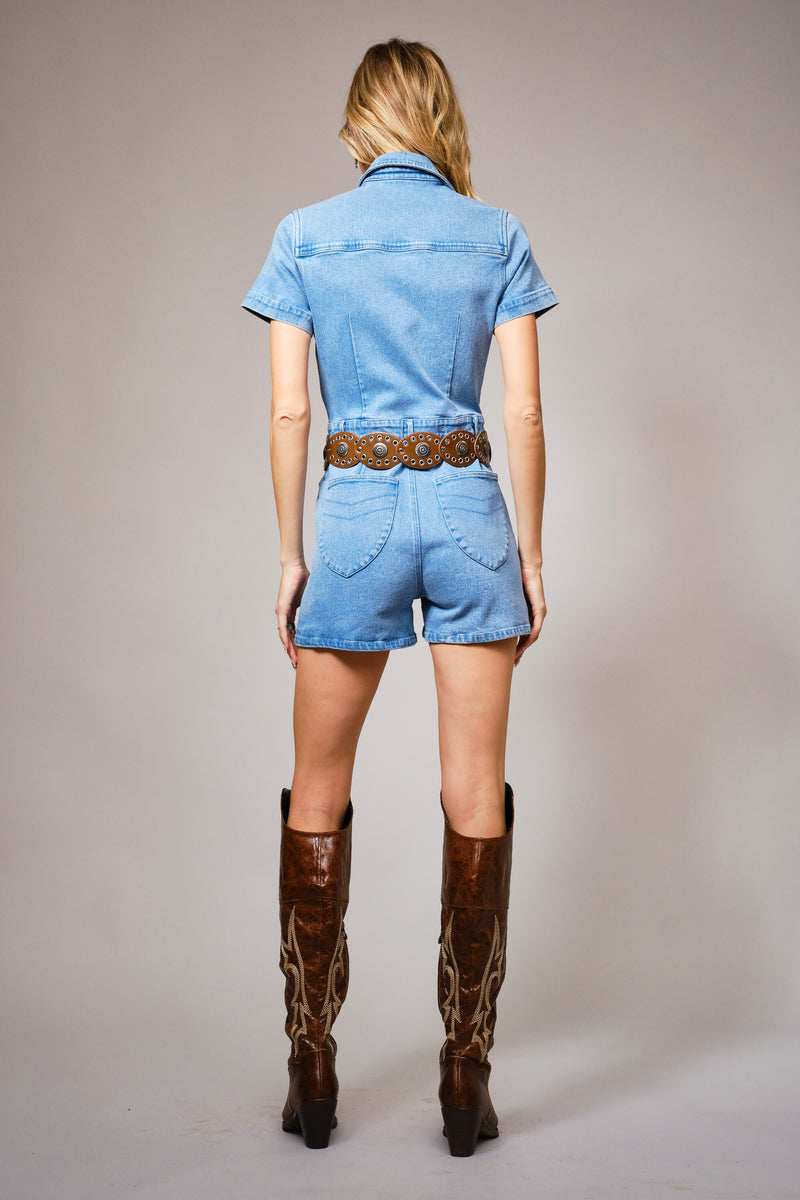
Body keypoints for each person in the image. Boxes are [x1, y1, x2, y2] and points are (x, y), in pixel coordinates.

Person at [241, 37, 559, 1156]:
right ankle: (465, 1077)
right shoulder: (497, 233)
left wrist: (292, 555)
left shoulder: (304, 237)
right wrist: (528, 553)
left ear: (358, 124)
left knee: (317, 789)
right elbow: (523, 412)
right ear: (440, 118)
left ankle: (311, 1066)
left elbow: (291, 413)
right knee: (474, 794)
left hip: (357, 519)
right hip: (470, 512)